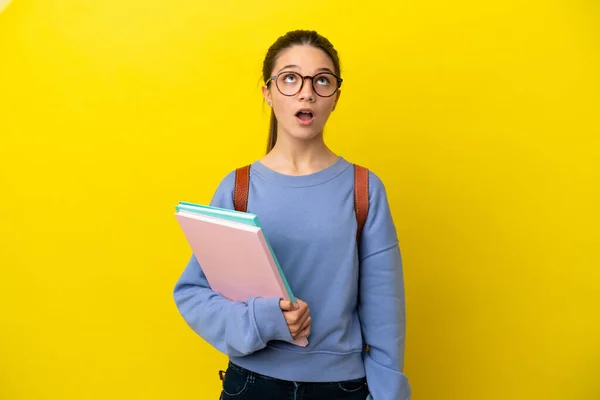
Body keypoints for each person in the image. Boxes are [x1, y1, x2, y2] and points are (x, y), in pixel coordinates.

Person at [173, 29, 411, 400]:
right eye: (290, 78)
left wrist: (388, 394)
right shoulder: (239, 188)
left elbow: (386, 313)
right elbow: (192, 293)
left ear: (335, 97)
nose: (307, 92)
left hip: (342, 388)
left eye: (321, 80)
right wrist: (263, 320)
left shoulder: (364, 189)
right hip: (251, 386)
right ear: (267, 92)